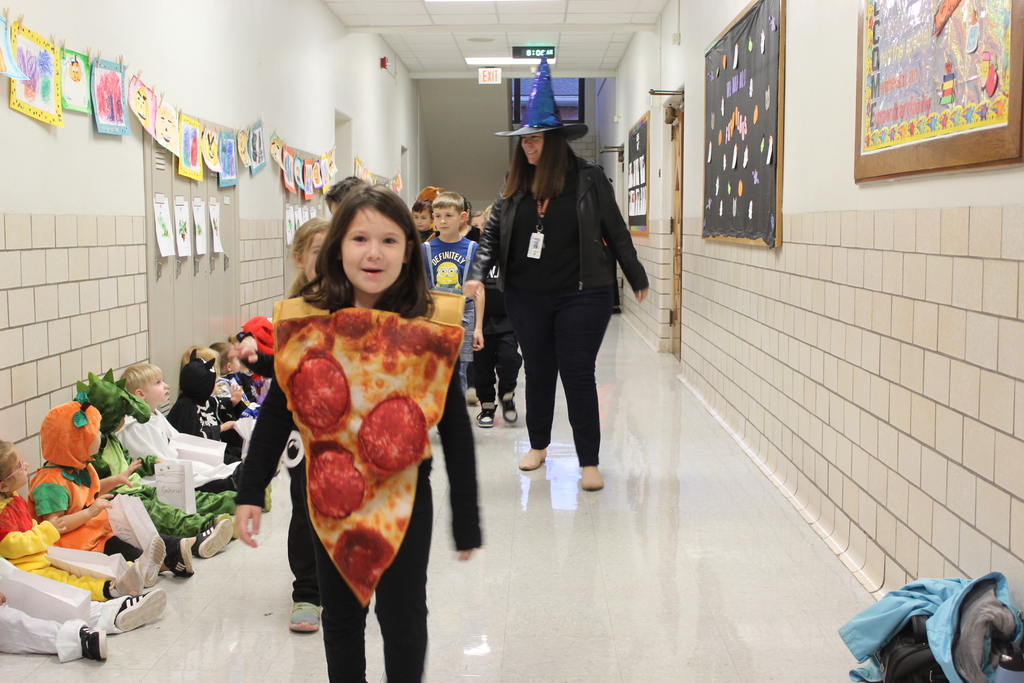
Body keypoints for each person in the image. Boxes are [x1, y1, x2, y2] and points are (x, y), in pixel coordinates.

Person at [235, 184, 481, 682]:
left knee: (403, 617)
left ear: (410, 249)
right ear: (337, 247)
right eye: (359, 238)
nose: (374, 252)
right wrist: (250, 489)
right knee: (342, 619)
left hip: (405, 497)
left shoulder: (428, 325)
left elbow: (454, 425)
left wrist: (468, 515)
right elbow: (279, 411)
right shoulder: (307, 325)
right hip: (330, 497)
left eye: (389, 240)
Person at [465, 56, 649, 492]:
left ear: (554, 140)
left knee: (578, 372)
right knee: (540, 371)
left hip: (584, 294)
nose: (527, 147)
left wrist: (636, 275)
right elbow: (490, 234)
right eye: (523, 141)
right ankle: (539, 445)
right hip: (527, 297)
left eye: (534, 140)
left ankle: (589, 462)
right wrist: (476, 273)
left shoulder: (588, 180)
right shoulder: (513, 187)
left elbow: (615, 231)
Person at [29, 400, 199, 579]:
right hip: (75, 542)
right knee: (119, 545)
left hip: (92, 528)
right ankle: (162, 564)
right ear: (76, 441)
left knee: (135, 533)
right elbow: (55, 526)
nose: (101, 435)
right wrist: (89, 513)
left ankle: (176, 550)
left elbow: (90, 490)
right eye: (96, 432)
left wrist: (116, 479)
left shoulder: (79, 466)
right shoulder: (51, 484)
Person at [118, 363, 241, 495]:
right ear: (141, 394)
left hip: (174, 462)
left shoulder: (155, 414)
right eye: (158, 383)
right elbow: (155, 462)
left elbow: (178, 441)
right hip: (158, 478)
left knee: (213, 468)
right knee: (207, 481)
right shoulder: (135, 426)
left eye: (163, 381)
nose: (166, 385)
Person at [424, 191, 485, 395]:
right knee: (435, 368)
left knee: (460, 370)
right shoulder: (425, 249)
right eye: (438, 215)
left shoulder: (473, 248)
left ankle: (454, 420)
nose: (442, 220)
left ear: (463, 217)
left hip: (464, 313)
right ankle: (438, 413)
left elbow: (479, 291)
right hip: (435, 313)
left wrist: (478, 328)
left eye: (448, 215)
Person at [472, 204, 523, 428]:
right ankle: (487, 405)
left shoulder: (515, 254)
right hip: (481, 322)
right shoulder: (477, 252)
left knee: (509, 360)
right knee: (481, 367)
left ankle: (507, 395)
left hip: (509, 320)